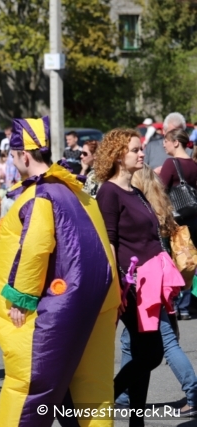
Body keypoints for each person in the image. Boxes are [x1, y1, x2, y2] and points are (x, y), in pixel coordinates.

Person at [0, 117, 119, 426]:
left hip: (56, 310)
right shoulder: (77, 191)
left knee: (30, 388)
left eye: (11, 154)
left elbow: (34, 246)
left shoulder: (40, 196)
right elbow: (100, 242)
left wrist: (22, 298)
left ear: (24, 155)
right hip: (96, 303)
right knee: (92, 390)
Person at [96, 128, 181, 427]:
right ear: (119, 155)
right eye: (135, 149)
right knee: (152, 352)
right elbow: (109, 241)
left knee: (144, 352)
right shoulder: (108, 191)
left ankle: (136, 421)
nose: (142, 153)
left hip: (149, 283)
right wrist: (117, 285)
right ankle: (103, 401)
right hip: (130, 285)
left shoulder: (135, 190)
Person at [115, 164, 197, 418]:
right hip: (161, 281)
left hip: (146, 283)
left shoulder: (141, 211)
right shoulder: (161, 208)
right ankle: (126, 396)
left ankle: (194, 394)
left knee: (165, 342)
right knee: (131, 342)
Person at [159, 128, 197, 320]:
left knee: (175, 260)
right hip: (193, 218)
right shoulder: (193, 164)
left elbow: (160, 190)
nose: (163, 144)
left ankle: (175, 303)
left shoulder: (170, 163)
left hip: (175, 219)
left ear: (176, 142)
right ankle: (187, 304)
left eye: (166, 140)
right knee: (189, 260)